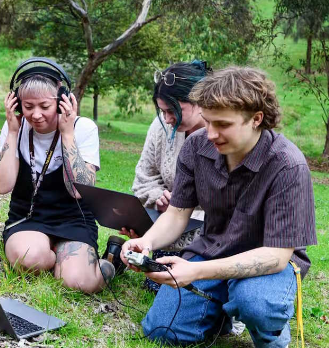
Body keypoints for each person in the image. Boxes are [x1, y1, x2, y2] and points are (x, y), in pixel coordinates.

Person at [121, 66, 317, 347]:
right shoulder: (196, 147)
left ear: (256, 119)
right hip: (212, 249)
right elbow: (177, 214)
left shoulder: (287, 164)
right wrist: (147, 241)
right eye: (207, 121)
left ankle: (270, 327)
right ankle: (221, 313)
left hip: (271, 264)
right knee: (162, 331)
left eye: (223, 124)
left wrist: (196, 272)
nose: (211, 133)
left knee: (256, 304)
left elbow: (276, 256)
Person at [0, 61, 116, 294]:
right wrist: (12, 132)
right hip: (28, 218)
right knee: (29, 260)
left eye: (44, 106)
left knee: (77, 283)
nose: (36, 115)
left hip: (73, 219)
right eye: (28, 106)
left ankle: (108, 264)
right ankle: (57, 258)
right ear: (17, 104)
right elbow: (1, 185)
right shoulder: (15, 127)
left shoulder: (84, 128)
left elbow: (79, 190)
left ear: (61, 101)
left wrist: (67, 135)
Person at [128, 60, 209, 293]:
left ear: (199, 101)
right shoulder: (160, 127)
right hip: (168, 226)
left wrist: (183, 206)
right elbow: (144, 177)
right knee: (157, 285)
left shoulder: (222, 135)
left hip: (210, 235)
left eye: (172, 110)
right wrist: (158, 197)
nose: (166, 118)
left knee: (181, 291)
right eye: (162, 110)